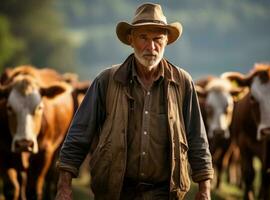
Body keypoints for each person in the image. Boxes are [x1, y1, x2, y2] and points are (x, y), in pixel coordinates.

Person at [55, 3, 213, 200]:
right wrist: (64, 186)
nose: (151, 47)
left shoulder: (182, 82)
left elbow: (197, 139)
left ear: (166, 42)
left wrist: (205, 190)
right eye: (143, 38)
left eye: (157, 39)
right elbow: (79, 134)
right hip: (115, 192)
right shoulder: (107, 81)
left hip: (164, 193)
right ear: (131, 40)